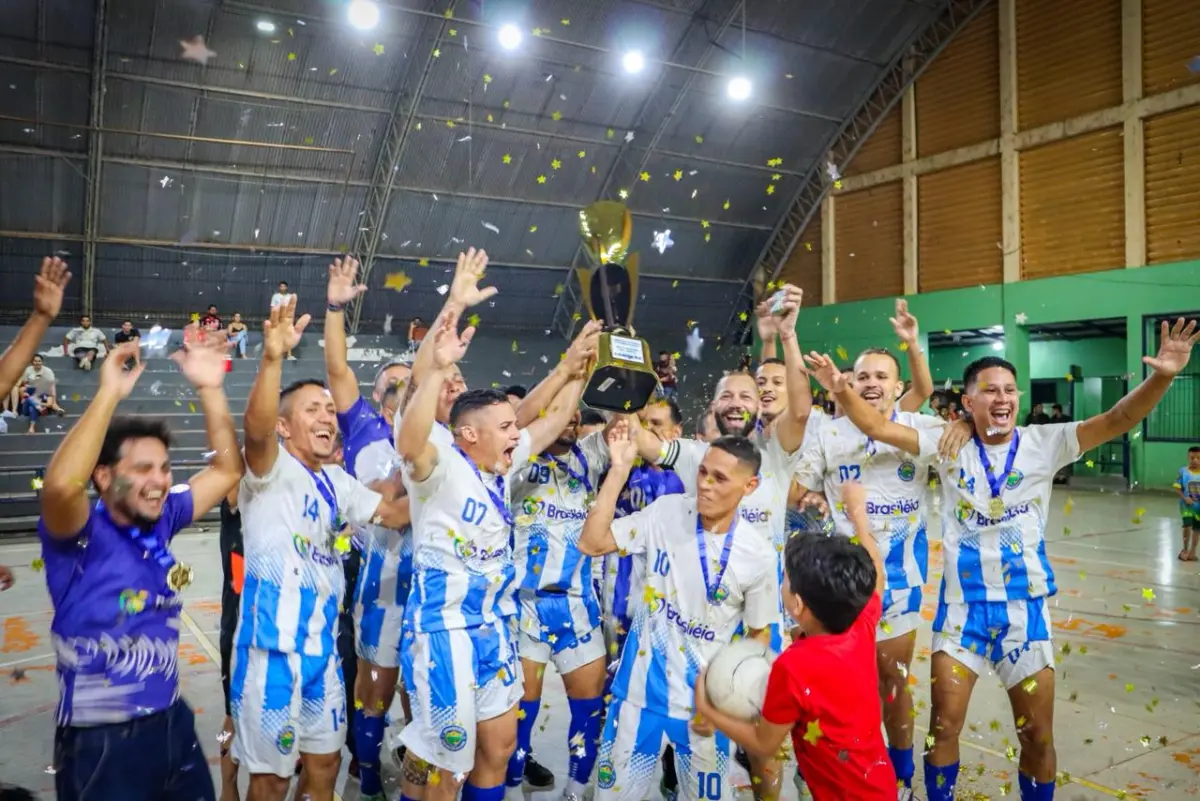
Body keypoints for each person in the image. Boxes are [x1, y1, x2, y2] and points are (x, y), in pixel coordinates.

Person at [806, 316, 1199, 801]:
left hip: (1025, 613)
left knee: (1037, 735)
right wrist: (843, 389)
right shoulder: (946, 444)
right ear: (968, 403)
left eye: (1010, 390)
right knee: (944, 728)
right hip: (961, 616)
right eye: (989, 391)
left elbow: (1118, 418)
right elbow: (874, 423)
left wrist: (1162, 375)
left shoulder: (1044, 444)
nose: (1002, 398)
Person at [36, 335, 244, 801]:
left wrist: (211, 388)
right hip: (100, 741)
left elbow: (229, 471)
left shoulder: (162, 518)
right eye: (144, 469)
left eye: (165, 469)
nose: (160, 481)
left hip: (172, 721)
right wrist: (109, 393)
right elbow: (60, 486)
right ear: (105, 476)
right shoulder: (78, 532)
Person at [395, 301, 588, 800]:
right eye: (505, 427)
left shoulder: (497, 467)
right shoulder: (438, 470)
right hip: (445, 631)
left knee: (500, 747)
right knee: (446, 765)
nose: (516, 434)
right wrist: (436, 368)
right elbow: (409, 441)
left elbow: (556, 417)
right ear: (469, 435)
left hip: (494, 626)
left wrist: (575, 369)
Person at [229, 297, 412, 801]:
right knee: (270, 781)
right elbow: (257, 429)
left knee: (325, 768)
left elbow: (394, 512)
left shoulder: (336, 480)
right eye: (313, 409)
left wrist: (445, 478)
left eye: (331, 408)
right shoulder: (268, 470)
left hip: (322, 656)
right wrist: (272, 359)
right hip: (270, 656)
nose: (328, 415)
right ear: (286, 426)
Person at [577, 425, 781, 801]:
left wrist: (727, 705)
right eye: (703, 471)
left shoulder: (759, 555)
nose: (705, 484)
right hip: (636, 696)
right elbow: (592, 542)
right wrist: (619, 470)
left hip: (702, 710)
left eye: (720, 478)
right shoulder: (667, 512)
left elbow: (758, 639)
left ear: (749, 487)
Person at [791, 346, 946, 793]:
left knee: (892, 683)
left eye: (882, 376)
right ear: (850, 384)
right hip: (838, 583)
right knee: (834, 685)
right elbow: (797, 493)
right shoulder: (828, 434)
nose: (872, 383)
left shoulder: (923, 428)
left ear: (899, 388)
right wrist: (813, 501)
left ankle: (900, 778)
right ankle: (818, 769)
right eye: (863, 377)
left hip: (901, 580)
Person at [693, 481, 897, 801]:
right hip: (879, 786)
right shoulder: (860, 622)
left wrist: (709, 709)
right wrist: (858, 513)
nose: (781, 580)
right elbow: (878, 571)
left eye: (785, 577)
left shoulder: (794, 666)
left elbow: (764, 743)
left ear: (798, 604)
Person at [322, 255, 418, 801]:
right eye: (393, 388)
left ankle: (412, 756)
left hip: (433, 579)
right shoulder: (361, 429)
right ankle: (367, 769)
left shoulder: (440, 440)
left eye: (413, 386)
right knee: (375, 684)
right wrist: (336, 308)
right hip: (379, 580)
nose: (403, 394)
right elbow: (338, 371)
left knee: (425, 686)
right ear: (378, 403)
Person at [218, 486, 245, 801]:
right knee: (232, 715)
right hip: (238, 630)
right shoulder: (235, 511)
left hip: (276, 630)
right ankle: (229, 788)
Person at [1177, 445, 1200, 562]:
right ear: (1188, 458)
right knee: (1187, 526)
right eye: (1192, 458)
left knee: (1197, 529)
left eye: (1198, 458)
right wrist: (1184, 498)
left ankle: (1192, 551)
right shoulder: (1183, 471)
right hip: (1187, 505)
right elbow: (1177, 487)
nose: (1195, 460)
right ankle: (1185, 550)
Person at [269, 282, 297, 360]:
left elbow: (292, 309)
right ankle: (278, 355)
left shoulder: (290, 296)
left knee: (289, 336)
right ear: (279, 288)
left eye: (284, 286)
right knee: (278, 336)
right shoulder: (275, 296)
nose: (282, 288)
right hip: (278, 318)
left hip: (288, 319)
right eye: (281, 286)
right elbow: (272, 308)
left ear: (286, 287)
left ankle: (289, 355)